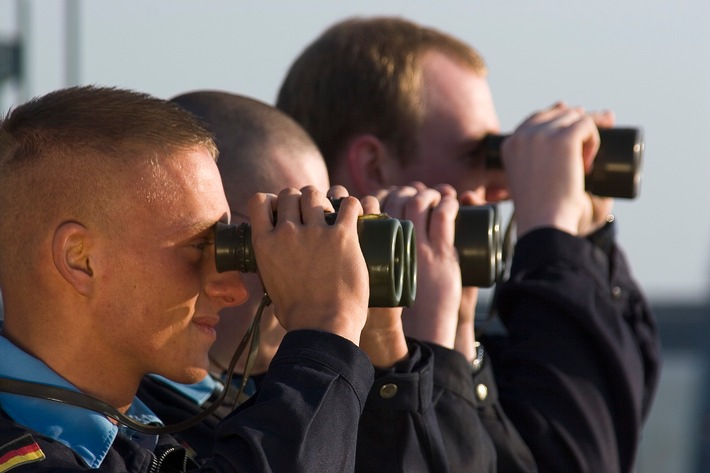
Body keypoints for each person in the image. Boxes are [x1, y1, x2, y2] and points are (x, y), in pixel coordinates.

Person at [276, 16, 661, 473]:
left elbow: (601, 425)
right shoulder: (304, 376)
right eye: (477, 156)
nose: (500, 190)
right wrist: (551, 240)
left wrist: (586, 238)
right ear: (375, 167)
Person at [139, 90, 532, 472]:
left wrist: (384, 345)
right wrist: (326, 329)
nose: (318, 261)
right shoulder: (137, 426)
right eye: (281, 231)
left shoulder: (281, 394)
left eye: (323, 225)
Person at [0, 85, 376, 472]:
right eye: (198, 247)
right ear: (81, 259)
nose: (232, 290)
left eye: (227, 244)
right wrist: (325, 335)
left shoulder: (153, 435)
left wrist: (378, 344)